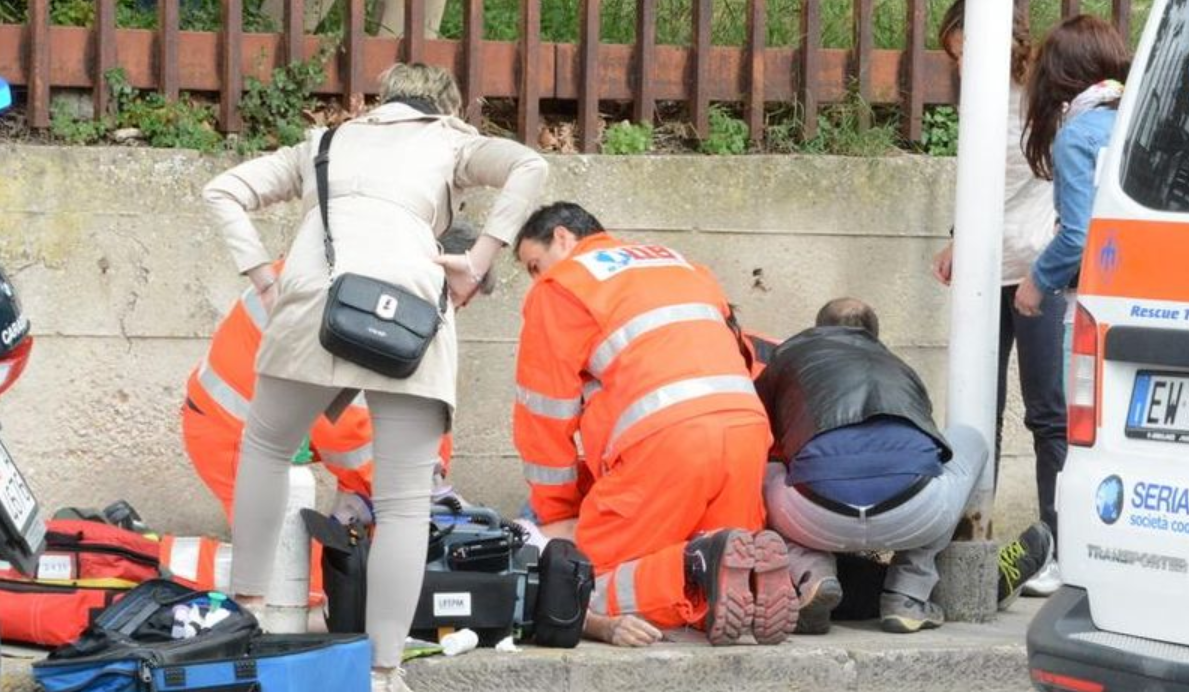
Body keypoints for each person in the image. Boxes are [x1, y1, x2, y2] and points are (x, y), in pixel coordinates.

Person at [202, 62, 546, 692]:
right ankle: (384, 672)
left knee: (267, 448)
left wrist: (264, 276)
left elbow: (223, 189)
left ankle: (244, 613)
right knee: (405, 502)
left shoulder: (323, 143)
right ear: (447, 107)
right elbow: (531, 165)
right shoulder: (451, 140)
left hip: (313, 304)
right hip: (410, 315)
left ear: (381, 102)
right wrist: (476, 259)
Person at [511, 201, 798, 647]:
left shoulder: (561, 287)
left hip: (666, 443)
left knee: (580, 580)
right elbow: (741, 352)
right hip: (744, 432)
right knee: (729, 567)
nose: (535, 278)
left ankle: (696, 568)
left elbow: (544, 415)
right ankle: (742, 582)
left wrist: (558, 512)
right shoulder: (683, 265)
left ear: (563, 238)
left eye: (534, 264)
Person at [181, 221, 492, 524]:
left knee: (327, 563)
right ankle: (145, 559)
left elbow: (421, 407)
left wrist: (430, 481)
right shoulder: (359, 299)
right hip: (231, 431)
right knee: (291, 567)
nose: (451, 310)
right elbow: (347, 433)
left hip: (249, 427)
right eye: (453, 298)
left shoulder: (373, 285)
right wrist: (412, 494)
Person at [933, 0, 1068, 598]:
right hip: (992, 265)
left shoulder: (1043, 93)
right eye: (955, 56)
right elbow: (977, 178)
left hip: (1039, 263)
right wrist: (960, 238)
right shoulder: (977, 96)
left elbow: (1019, 175)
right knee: (976, 408)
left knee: (1048, 411)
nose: (960, 64)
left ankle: (1060, 544)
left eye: (966, 51)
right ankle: (964, 537)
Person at [761, 298, 1001, 634]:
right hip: (914, 514)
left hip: (814, 518)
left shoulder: (788, 358)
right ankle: (908, 594)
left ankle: (812, 574)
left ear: (818, 329)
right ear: (875, 335)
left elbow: (759, 432)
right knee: (970, 439)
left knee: (764, 469)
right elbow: (929, 449)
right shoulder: (899, 367)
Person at [1014, 16, 1130, 591]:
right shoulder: (1137, 121)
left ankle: (1066, 552)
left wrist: (1037, 281)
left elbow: (1078, 233)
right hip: (1144, 300)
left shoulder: (1079, 133)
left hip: (1088, 303)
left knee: (1071, 427)